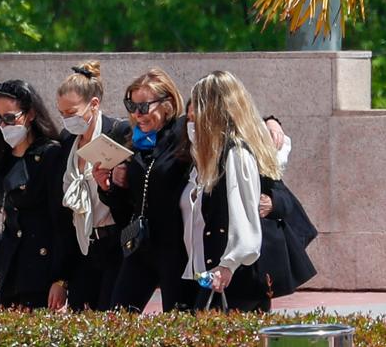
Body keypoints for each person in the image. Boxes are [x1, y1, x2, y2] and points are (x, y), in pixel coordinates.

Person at [93, 68, 197, 312]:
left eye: (143, 106)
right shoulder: (133, 139)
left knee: (179, 326)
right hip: (141, 244)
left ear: (168, 104)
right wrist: (110, 187)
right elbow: (127, 203)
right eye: (132, 106)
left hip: (176, 248)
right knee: (117, 319)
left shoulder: (184, 133)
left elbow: (227, 118)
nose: (137, 114)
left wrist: (271, 122)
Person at [181, 71, 284, 312]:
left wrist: (228, 263)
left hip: (235, 280)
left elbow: (244, 218)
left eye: (199, 106)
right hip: (220, 277)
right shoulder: (216, 154)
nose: (193, 116)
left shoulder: (236, 154)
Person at [0, 79, 68, 310]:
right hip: (10, 267)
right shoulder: (1, 158)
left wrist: (60, 279)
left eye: (10, 117)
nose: (4, 126)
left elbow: (63, 221)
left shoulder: (50, 154)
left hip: (40, 269)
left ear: (30, 114)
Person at [57, 61, 130, 311]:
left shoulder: (117, 133)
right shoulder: (67, 141)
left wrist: (109, 186)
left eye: (72, 112)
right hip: (83, 247)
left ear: (94, 104)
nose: (67, 119)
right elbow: (66, 214)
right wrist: (61, 277)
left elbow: (130, 199)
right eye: (62, 113)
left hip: (116, 245)